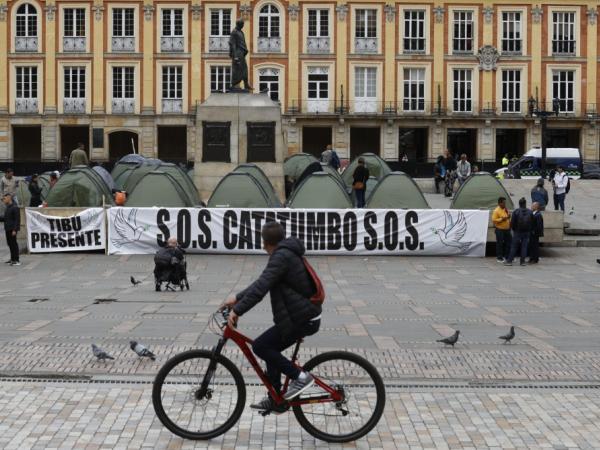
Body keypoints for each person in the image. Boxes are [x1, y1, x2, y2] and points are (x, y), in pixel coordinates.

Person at [221, 222, 321, 413]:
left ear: (266, 242)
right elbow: (263, 281)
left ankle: (301, 378)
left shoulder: (281, 257)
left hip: (302, 319)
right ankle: (275, 397)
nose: (261, 246)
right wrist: (237, 298)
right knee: (269, 347)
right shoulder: (284, 253)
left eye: (263, 242)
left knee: (261, 346)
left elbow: (261, 289)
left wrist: (237, 311)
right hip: (301, 315)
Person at [504, 197, 533, 267]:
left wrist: (513, 229)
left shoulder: (516, 211)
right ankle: (522, 262)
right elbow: (532, 222)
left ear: (519, 204)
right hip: (526, 232)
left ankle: (509, 261)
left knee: (514, 246)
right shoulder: (530, 212)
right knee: (524, 247)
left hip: (517, 231)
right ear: (525, 204)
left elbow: (512, 223)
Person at [229, 19, 252, 90]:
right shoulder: (234, 32)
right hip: (237, 53)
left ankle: (246, 84)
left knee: (244, 69)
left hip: (241, 52)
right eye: (242, 25)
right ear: (239, 24)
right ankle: (234, 85)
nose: (243, 26)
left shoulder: (240, 32)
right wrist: (235, 56)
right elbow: (233, 44)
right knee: (237, 69)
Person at [3, 193, 20, 266]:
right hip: (7, 228)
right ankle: (12, 259)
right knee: (10, 244)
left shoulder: (15, 207)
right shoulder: (8, 207)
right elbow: (5, 218)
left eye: (5, 198)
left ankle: (16, 260)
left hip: (12, 229)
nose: (3, 200)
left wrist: (15, 230)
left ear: (9, 198)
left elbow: (17, 220)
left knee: (13, 244)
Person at [492, 197, 511, 263]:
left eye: (505, 202)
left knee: (508, 243)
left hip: (507, 229)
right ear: (499, 203)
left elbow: (507, 216)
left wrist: (508, 216)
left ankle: (507, 256)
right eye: (503, 203)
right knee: (500, 244)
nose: (505, 204)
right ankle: (499, 257)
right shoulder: (496, 210)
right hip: (500, 230)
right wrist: (502, 219)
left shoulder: (505, 209)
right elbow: (494, 220)